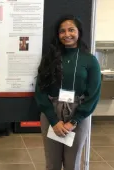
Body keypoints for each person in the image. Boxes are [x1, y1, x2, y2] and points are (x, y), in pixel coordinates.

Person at [35, 15, 101, 170]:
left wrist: (74, 121)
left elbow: (94, 94)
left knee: (73, 163)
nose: (67, 34)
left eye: (71, 30)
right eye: (62, 31)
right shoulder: (49, 59)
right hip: (52, 112)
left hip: (78, 113)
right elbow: (40, 91)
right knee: (52, 163)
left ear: (79, 32)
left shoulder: (90, 60)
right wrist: (53, 121)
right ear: (58, 35)